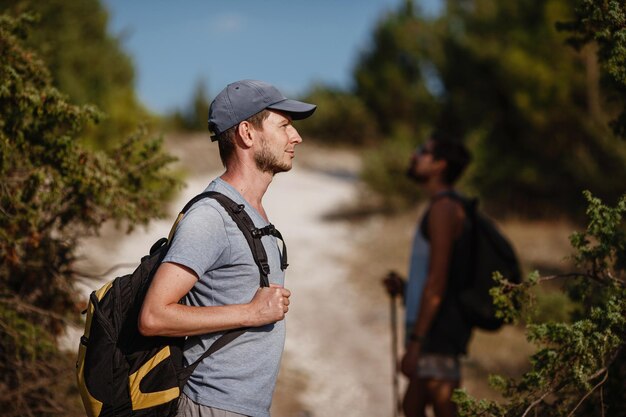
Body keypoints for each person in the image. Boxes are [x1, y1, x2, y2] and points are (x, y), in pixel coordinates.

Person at [138, 79, 316, 417]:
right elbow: (153, 315)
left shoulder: (249, 211)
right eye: (284, 126)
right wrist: (250, 312)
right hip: (212, 406)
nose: (296, 137)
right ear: (247, 133)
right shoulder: (211, 218)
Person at [384, 136, 472, 417]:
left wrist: (416, 344)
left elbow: (437, 282)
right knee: (412, 407)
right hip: (432, 325)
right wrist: (408, 288)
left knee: (445, 407)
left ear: (439, 165)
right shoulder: (439, 206)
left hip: (439, 330)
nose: (414, 154)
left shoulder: (444, 209)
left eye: (423, 151)